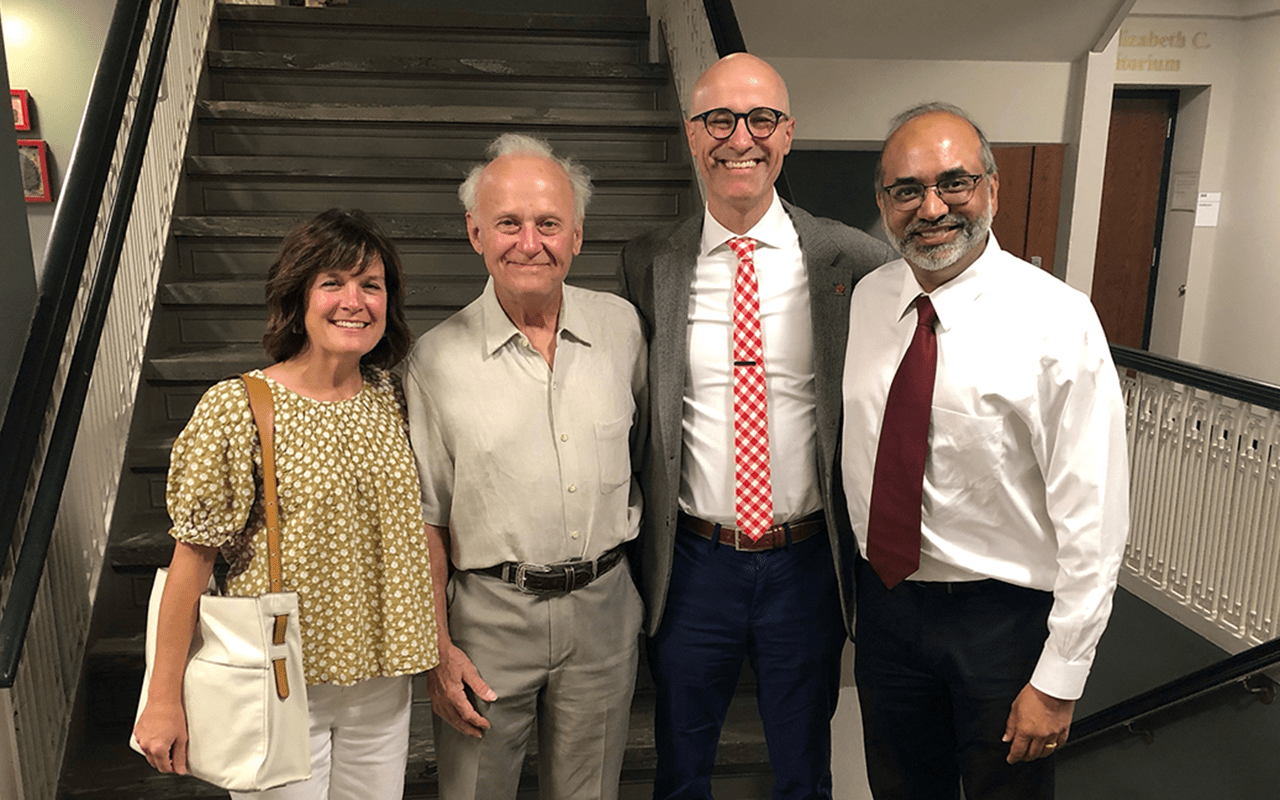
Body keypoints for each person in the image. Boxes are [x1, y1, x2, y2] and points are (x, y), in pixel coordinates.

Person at [620, 53, 895, 800]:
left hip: (805, 565)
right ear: (692, 132)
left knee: (804, 770)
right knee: (680, 768)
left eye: (761, 119)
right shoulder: (649, 263)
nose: (739, 137)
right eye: (719, 119)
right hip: (693, 563)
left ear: (788, 133)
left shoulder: (855, 261)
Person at [841, 102, 1130, 800]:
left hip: (1002, 626)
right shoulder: (868, 298)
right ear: (884, 203)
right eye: (907, 190)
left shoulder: (1057, 319)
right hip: (886, 611)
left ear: (992, 190)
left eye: (954, 183)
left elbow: (1095, 517)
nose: (932, 207)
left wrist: (1059, 679)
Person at [132, 208, 439, 798]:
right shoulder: (239, 407)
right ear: (298, 296)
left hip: (381, 684)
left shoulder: (391, 398)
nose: (355, 301)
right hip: (276, 681)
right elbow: (192, 561)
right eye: (333, 283)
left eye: (370, 285)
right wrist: (162, 696)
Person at [405, 133, 646, 800]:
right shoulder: (434, 359)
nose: (528, 242)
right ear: (475, 232)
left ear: (576, 235)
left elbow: (652, 456)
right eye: (508, 223)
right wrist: (438, 648)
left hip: (604, 611)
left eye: (548, 224)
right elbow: (426, 519)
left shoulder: (624, 329)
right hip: (488, 617)